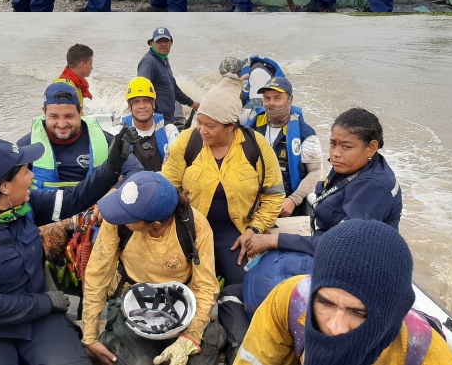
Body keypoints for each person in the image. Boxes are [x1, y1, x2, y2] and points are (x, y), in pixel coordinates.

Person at [0, 135, 132, 365]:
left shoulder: (24, 206)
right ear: (5, 186)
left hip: (37, 322)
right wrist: (47, 302)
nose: (33, 175)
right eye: (27, 170)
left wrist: (112, 166)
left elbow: (76, 198)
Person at [238, 107, 402, 313]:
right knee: (257, 270)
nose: (335, 153)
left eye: (346, 146)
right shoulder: (351, 166)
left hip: (353, 267)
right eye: (333, 143)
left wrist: (275, 241)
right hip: (325, 242)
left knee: (262, 283)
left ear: (371, 147)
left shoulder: (373, 187)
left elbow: (341, 247)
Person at [232, 219, 452, 365]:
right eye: (325, 303)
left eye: (358, 313)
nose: (334, 326)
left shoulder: (426, 356)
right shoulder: (289, 300)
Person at [81, 172, 225, 365]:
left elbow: (206, 287)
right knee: (141, 362)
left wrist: (190, 336)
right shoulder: (117, 221)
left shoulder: (195, 226)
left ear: (155, 224)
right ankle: (114, 337)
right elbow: (97, 276)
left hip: (182, 307)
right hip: (131, 303)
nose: (119, 216)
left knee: (196, 358)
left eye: (128, 216)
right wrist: (90, 336)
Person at [162, 74, 284, 287]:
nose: (202, 130)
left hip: (236, 232)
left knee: (243, 285)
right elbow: (167, 187)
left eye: (210, 126)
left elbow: (273, 195)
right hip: (190, 228)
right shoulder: (187, 142)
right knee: (178, 284)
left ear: (231, 126)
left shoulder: (256, 146)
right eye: (199, 122)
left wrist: (254, 230)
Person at [241, 75, 321, 218]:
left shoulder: (306, 134)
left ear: (290, 100)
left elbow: (315, 172)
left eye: (278, 98)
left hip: (286, 204)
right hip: (251, 200)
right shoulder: (251, 122)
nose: (271, 103)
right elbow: (221, 115)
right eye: (267, 98)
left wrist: (293, 200)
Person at [19, 82, 124, 189]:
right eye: (54, 116)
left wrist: (113, 193)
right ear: (44, 112)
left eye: (69, 116)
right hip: (45, 204)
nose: (62, 124)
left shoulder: (106, 140)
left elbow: (135, 172)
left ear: (80, 112)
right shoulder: (26, 146)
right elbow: (7, 185)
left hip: (97, 204)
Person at [114, 77, 182, 173]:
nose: (142, 106)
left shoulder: (169, 131)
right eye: (136, 102)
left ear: (153, 104)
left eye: (146, 100)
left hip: (162, 183)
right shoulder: (118, 133)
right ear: (129, 106)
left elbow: (175, 169)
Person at [137, 27, 199, 127]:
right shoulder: (149, 63)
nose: (163, 44)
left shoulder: (163, 60)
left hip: (167, 119)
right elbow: (141, 91)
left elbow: (173, 88)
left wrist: (191, 103)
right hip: (156, 120)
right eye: (159, 41)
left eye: (166, 41)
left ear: (171, 43)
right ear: (152, 43)